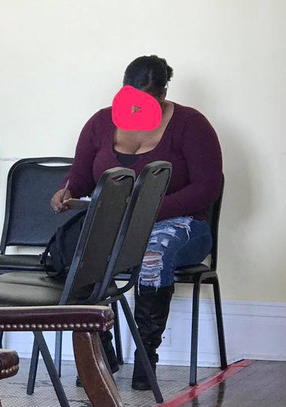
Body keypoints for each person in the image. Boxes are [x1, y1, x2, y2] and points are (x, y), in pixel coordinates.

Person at [51, 55, 222, 390]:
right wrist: (67, 190)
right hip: (118, 225)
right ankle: (100, 353)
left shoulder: (191, 124)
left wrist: (144, 210)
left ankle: (146, 356)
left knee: (153, 254)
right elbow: (81, 175)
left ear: (163, 94)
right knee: (82, 254)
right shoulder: (101, 123)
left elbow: (207, 188)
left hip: (183, 225)